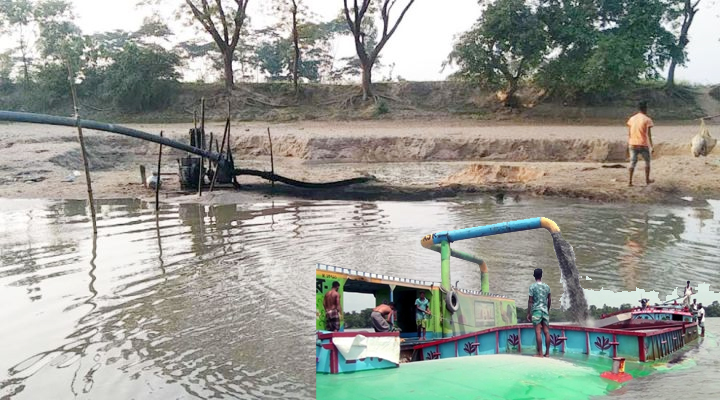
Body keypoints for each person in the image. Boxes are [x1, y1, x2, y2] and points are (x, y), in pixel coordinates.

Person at [626, 101, 654, 187]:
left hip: (633, 143)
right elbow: (648, 135)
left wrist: (629, 143)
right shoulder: (647, 119)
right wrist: (652, 146)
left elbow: (629, 133)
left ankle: (630, 181)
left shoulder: (631, 119)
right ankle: (647, 180)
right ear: (645, 108)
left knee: (632, 162)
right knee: (647, 162)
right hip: (643, 143)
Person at [527, 268, 551, 357]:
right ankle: (547, 353)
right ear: (541, 275)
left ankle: (540, 353)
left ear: (534, 276)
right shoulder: (547, 287)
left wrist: (528, 312)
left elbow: (530, 301)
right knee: (546, 331)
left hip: (536, 311)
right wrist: (547, 309)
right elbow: (549, 299)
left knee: (538, 332)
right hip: (545, 310)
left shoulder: (532, 287)